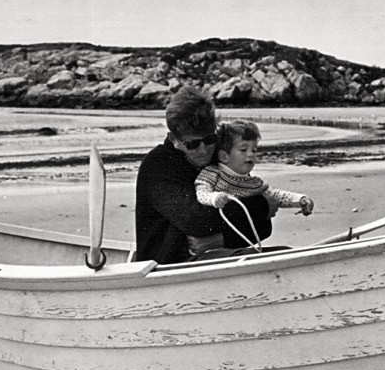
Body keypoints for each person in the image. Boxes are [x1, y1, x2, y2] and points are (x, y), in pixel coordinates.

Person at [134, 87, 274, 264]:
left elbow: (263, 227)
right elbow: (196, 221)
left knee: (282, 253)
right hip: (166, 263)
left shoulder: (219, 156)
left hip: (213, 254)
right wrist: (261, 204)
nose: (203, 151)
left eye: (209, 140)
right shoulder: (158, 165)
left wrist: (221, 239)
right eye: (192, 145)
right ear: (173, 138)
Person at [195, 120, 314, 249]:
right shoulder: (213, 173)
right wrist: (213, 198)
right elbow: (201, 191)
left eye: (254, 150)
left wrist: (299, 199)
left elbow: (274, 195)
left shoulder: (252, 182)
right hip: (208, 242)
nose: (250, 154)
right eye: (243, 150)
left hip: (235, 242)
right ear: (224, 156)